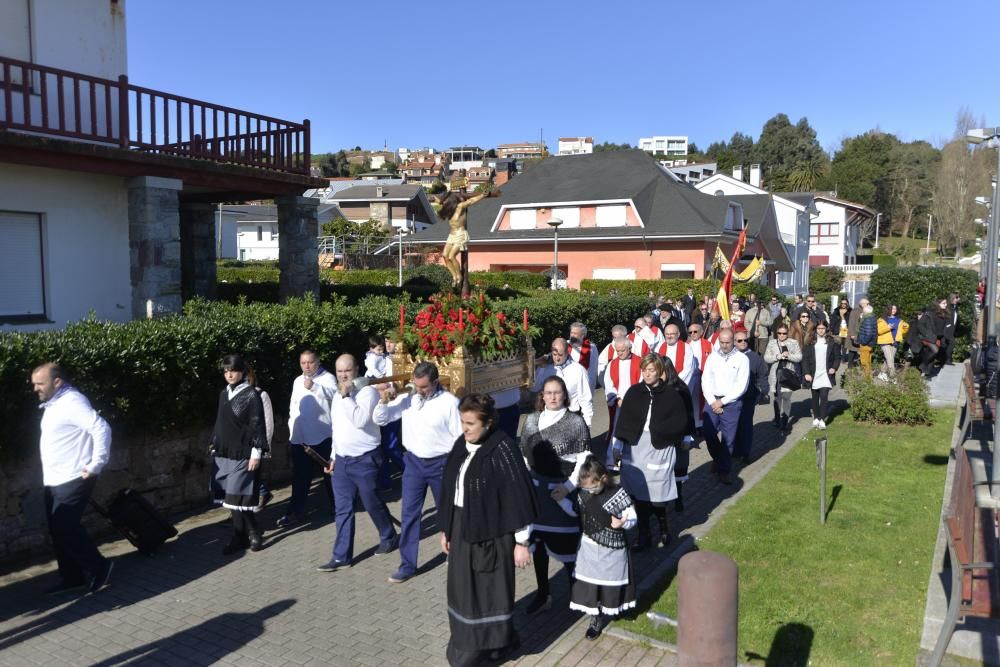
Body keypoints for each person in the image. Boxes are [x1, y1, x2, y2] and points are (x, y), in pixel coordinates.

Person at [438, 394, 537, 666]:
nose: (465, 428)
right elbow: (451, 488)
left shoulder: (503, 448)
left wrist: (522, 542)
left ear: (489, 422)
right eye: (462, 422)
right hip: (462, 527)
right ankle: (468, 642)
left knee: (489, 593)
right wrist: (446, 528)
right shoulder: (463, 444)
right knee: (462, 590)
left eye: (470, 423)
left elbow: (518, 497)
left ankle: (491, 645)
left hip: (492, 534)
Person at [374, 361, 462, 584]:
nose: (419, 390)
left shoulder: (449, 403)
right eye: (416, 385)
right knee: (409, 514)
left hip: (441, 463)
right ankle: (407, 565)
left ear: (435, 382)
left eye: (424, 387)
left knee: (447, 512)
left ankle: (454, 553)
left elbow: (459, 438)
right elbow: (381, 419)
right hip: (413, 463)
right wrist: (383, 402)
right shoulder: (408, 398)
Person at [32, 362, 114, 595]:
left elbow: (101, 428)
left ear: (57, 382)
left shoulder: (72, 402)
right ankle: (72, 577)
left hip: (75, 476)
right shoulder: (54, 403)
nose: (35, 388)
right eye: (34, 384)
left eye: (40, 383)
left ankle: (99, 567)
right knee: (58, 530)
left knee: (65, 526)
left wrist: (96, 464)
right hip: (54, 479)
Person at [317, 354, 398, 572]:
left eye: (347, 371)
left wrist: (346, 398)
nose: (343, 375)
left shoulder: (366, 393)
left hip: (366, 458)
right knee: (342, 509)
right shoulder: (337, 395)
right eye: (339, 371)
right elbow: (337, 429)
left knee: (371, 501)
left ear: (357, 370)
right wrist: (333, 456)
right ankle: (341, 556)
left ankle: (388, 535)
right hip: (343, 460)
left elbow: (360, 420)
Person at [519, 376, 590, 614]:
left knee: (568, 549)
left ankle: (577, 597)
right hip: (537, 491)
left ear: (564, 395)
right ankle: (543, 593)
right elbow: (523, 455)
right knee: (538, 544)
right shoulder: (531, 420)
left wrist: (569, 488)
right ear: (542, 395)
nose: (552, 397)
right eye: (548, 393)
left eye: (557, 392)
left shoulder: (575, 421)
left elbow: (584, 460)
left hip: (562, 491)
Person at [614, 354, 694, 549]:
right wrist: (618, 445)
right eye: (644, 370)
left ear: (659, 371)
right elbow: (624, 421)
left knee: (658, 494)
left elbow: (681, 420)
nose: (647, 374)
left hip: (661, 446)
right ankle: (644, 535)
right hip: (636, 447)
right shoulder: (634, 392)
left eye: (651, 370)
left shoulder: (671, 394)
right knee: (639, 494)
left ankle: (664, 527)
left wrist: (684, 437)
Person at [565, 456, 637, 641]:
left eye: (592, 486)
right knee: (592, 587)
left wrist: (623, 522)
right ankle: (595, 619)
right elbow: (574, 513)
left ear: (603, 478)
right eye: (586, 487)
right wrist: (560, 502)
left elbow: (632, 517)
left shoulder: (618, 493)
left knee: (611, 583)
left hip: (613, 550)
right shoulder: (582, 495)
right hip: (589, 548)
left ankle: (616, 607)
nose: (590, 490)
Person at [211, 354, 269, 555]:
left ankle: (253, 532)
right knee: (231, 498)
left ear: (242, 371)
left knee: (238, 496)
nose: (229, 374)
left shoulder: (251, 395)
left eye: (233, 370)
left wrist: (256, 453)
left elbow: (257, 425)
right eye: (226, 371)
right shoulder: (223, 394)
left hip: (243, 453)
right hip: (224, 452)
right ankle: (239, 536)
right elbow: (220, 422)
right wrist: (214, 443)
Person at [280, 350, 336, 527]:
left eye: (310, 362)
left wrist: (314, 387)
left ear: (317, 362)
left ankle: (338, 506)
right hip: (301, 438)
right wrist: (292, 428)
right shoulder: (297, 380)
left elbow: (335, 396)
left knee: (330, 475)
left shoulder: (328, 378)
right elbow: (293, 407)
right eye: (303, 363)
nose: (307, 366)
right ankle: (295, 512)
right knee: (300, 477)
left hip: (323, 435)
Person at [701, 330, 750, 484]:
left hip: (731, 403)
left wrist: (723, 402)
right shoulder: (713, 358)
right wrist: (712, 402)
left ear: (734, 341)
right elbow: (706, 380)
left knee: (728, 440)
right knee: (708, 433)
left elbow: (742, 385)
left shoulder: (742, 359)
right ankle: (718, 458)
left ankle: (724, 470)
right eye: (722, 342)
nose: (724, 345)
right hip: (712, 400)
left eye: (727, 342)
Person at [438, 189, 500, 288]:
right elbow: (439, 201)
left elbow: (471, 201)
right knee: (445, 256)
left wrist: (482, 196)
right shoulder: (449, 209)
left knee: (451, 256)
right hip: (452, 235)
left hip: (460, 234)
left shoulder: (460, 206)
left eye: (446, 200)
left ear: (451, 200)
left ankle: (459, 277)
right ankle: (454, 276)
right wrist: (436, 199)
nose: (445, 202)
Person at [533, 338, 594, 429]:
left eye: (560, 355)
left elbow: (585, 398)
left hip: (571, 417)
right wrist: (540, 367)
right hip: (549, 417)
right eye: (554, 354)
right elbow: (534, 388)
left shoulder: (578, 370)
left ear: (567, 352)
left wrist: (587, 423)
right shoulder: (545, 368)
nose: (557, 358)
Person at [733, 332, 769, 464]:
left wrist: (763, 390)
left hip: (748, 397)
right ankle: (735, 450)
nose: (742, 342)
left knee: (746, 425)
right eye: (739, 340)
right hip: (732, 398)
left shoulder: (755, 358)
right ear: (734, 342)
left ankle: (745, 453)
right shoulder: (730, 357)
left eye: (745, 340)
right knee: (733, 424)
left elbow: (762, 375)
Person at [603, 337, 641, 447]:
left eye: (622, 350)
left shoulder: (640, 362)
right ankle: (615, 456)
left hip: (635, 403)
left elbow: (642, 382)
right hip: (618, 403)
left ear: (630, 348)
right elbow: (608, 384)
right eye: (617, 351)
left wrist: (630, 400)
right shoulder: (612, 364)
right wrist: (618, 399)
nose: (619, 353)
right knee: (617, 429)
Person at [764, 324, 802, 432]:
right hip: (775, 374)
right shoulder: (772, 343)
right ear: (776, 333)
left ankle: (785, 421)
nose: (782, 335)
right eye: (779, 333)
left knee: (786, 397)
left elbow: (799, 357)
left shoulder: (793, 343)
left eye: (784, 333)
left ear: (788, 333)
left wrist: (789, 355)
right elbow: (766, 358)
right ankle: (777, 419)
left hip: (788, 375)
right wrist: (777, 357)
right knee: (777, 398)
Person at [802, 321, 839, 429]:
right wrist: (807, 373)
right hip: (814, 374)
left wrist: (834, 368)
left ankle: (822, 419)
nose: (821, 330)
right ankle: (816, 418)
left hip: (826, 374)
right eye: (819, 328)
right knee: (815, 397)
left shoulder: (832, 342)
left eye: (823, 328)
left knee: (824, 396)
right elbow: (805, 359)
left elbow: (837, 358)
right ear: (815, 330)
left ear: (826, 329)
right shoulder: (810, 342)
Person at [247, 365, 275, 510]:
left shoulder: (261, 395)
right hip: (240, 446)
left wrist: (266, 446)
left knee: (251, 476)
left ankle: (260, 496)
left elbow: (268, 422)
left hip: (255, 445)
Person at [568, 322, 599, 391]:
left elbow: (593, 370)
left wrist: (589, 388)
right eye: (571, 333)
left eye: (575, 333)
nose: (572, 335)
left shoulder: (591, 348)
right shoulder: (565, 345)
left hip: (583, 385)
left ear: (582, 335)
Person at [877, 305, 901, 380]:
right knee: (890, 359)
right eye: (892, 308)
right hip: (885, 342)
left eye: (895, 308)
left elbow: (902, 331)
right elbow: (879, 331)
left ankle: (882, 373)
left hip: (895, 341)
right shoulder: (882, 319)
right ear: (888, 309)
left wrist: (905, 328)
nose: (894, 310)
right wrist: (888, 328)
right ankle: (893, 376)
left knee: (889, 359)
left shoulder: (899, 320)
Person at [830, 297, 853, 373]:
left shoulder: (850, 311)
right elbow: (833, 320)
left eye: (845, 303)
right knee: (837, 344)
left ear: (847, 303)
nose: (843, 305)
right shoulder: (836, 311)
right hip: (838, 329)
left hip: (846, 329)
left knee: (845, 344)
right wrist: (832, 329)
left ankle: (843, 359)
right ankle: (837, 358)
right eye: (842, 303)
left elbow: (852, 320)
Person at [847, 296, 869, 368]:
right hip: (855, 333)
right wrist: (852, 334)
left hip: (863, 333)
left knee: (860, 349)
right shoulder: (855, 311)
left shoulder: (867, 310)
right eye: (867, 303)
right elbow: (851, 323)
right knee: (853, 350)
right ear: (862, 304)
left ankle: (860, 364)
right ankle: (850, 365)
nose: (868, 305)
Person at [858, 304, 877, 377]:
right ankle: (868, 376)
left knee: (864, 361)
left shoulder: (867, 319)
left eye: (863, 310)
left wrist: (863, 342)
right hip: (871, 343)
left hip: (866, 344)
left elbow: (868, 334)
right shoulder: (872, 318)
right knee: (868, 361)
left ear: (865, 311)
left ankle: (866, 378)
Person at [942, 292, 960, 365]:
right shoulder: (949, 306)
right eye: (957, 297)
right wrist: (947, 325)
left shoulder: (955, 307)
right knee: (949, 344)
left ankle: (947, 360)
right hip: (947, 328)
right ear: (953, 298)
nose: (958, 299)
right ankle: (947, 360)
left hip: (952, 329)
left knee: (950, 344)